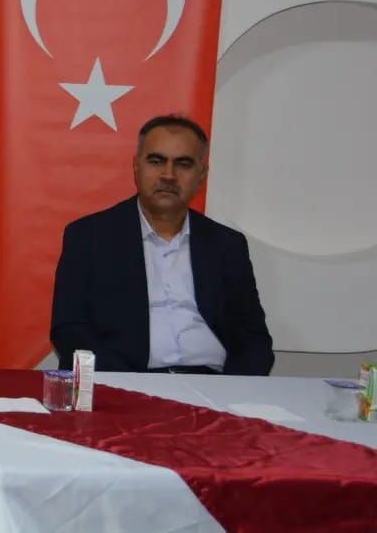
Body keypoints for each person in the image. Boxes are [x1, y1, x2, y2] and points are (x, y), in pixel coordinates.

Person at [50, 114, 274, 375]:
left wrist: (233, 390)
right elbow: (69, 331)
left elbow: (254, 340)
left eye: (183, 164)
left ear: (202, 174)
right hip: (127, 381)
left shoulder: (227, 245)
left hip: (215, 383)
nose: (168, 175)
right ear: (136, 166)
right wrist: (130, 387)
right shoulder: (89, 237)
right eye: (156, 161)